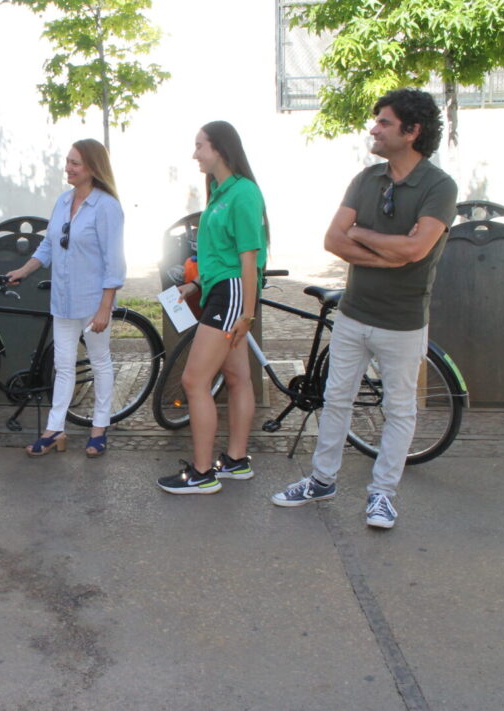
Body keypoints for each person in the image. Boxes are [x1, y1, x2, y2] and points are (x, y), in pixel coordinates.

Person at [270, 88, 458, 529]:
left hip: (402, 321)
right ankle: (321, 480)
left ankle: (382, 495)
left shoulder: (438, 186)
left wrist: (361, 234)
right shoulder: (366, 179)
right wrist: (387, 253)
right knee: (335, 399)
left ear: (412, 131)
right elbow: (332, 239)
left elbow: (416, 249)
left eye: (384, 122)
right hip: (354, 313)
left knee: (399, 409)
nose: (374, 129)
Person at [156, 121, 268, 495]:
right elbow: (220, 255)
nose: (195, 154)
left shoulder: (244, 192)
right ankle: (236, 461)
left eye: (200, 146)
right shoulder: (221, 193)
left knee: (193, 381)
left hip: (232, 294)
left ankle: (202, 473)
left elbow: (248, 260)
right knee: (237, 378)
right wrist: (195, 285)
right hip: (221, 289)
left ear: (219, 148)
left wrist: (247, 314)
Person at [6, 138, 126, 457]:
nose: (68, 168)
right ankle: (55, 428)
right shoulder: (62, 201)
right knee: (62, 365)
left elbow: (114, 261)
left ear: (93, 167)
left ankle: (99, 428)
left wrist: (105, 307)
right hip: (63, 299)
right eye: (67, 161)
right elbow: (48, 245)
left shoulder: (107, 206)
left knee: (99, 361)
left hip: (93, 300)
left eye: (75, 163)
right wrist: (25, 270)